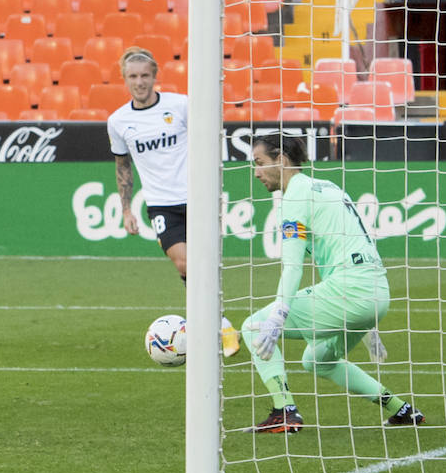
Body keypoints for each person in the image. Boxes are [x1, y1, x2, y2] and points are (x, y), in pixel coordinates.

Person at [241, 133, 424, 433]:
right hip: (376, 292)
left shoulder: (296, 197)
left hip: (349, 292)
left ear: (282, 159)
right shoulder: (329, 187)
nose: (256, 172)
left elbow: (292, 266)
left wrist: (278, 314)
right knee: (318, 360)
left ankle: (284, 411)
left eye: (260, 163)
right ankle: (400, 409)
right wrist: (369, 326)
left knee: (253, 327)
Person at [106, 46, 241, 356]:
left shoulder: (181, 106)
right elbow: (122, 166)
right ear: (124, 79)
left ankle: (213, 323)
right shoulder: (118, 121)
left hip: (198, 196)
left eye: (144, 75)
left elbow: (210, 142)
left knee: (204, 265)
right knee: (184, 262)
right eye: (132, 76)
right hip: (161, 204)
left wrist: (214, 187)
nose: (139, 82)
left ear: (155, 76)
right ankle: (221, 325)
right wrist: (126, 209)